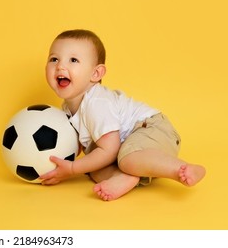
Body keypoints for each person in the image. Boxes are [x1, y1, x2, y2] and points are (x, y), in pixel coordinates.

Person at [39, 29, 206, 201]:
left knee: (127, 159)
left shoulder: (97, 102)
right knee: (93, 166)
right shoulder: (67, 107)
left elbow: (109, 150)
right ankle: (124, 177)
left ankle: (182, 169)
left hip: (152, 129)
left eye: (73, 60)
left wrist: (73, 168)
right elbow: (80, 143)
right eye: (54, 59)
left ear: (95, 73)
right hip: (130, 146)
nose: (60, 66)